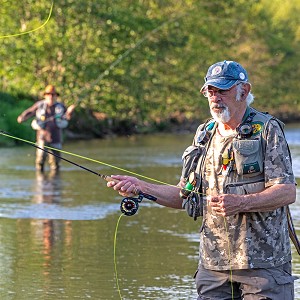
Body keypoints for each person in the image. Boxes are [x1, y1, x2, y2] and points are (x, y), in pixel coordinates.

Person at [106, 60, 298, 299]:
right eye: (210, 91)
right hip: (213, 264)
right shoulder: (204, 133)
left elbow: (286, 191)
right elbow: (184, 196)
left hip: (263, 264)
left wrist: (242, 203)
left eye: (222, 90)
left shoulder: (267, 129)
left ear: (244, 91)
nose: (215, 97)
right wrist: (141, 188)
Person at [17, 85, 75, 172]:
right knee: (40, 162)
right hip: (42, 138)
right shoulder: (39, 105)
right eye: (48, 94)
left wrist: (70, 112)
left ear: (56, 96)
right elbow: (30, 111)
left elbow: (67, 117)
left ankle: (55, 184)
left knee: (56, 165)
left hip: (56, 139)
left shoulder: (61, 106)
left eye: (53, 94)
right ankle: (41, 183)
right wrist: (22, 117)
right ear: (45, 95)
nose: (51, 96)